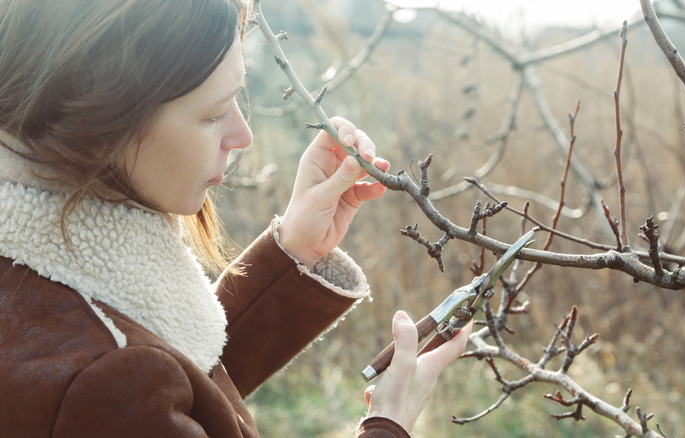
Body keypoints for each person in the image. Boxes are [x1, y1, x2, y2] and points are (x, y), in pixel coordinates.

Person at [0, 0, 471, 437]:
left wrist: (295, 251)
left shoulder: (41, 281)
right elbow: (134, 383)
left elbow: (180, 390)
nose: (242, 136)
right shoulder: (98, 382)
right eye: (213, 113)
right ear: (104, 118)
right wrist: (390, 423)